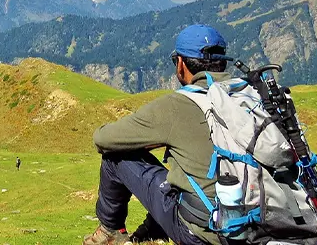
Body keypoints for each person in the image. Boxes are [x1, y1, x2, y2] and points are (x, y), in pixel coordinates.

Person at [83, 24, 231, 245]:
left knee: (114, 157)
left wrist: (145, 142)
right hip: (266, 225)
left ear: (181, 64)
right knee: (182, 176)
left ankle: (110, 233)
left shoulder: (179, 105)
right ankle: (150, 232)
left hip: (205, 235)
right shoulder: (257, 98)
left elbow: (103, 139)